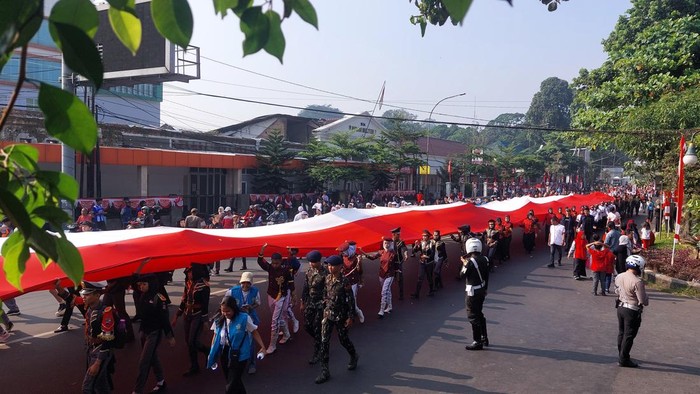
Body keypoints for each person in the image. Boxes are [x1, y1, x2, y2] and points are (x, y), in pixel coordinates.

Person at [207, 296, 267, 394]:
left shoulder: (244, 318)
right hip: (224, 353)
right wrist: (211, 352)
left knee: (230, 386)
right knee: (234, 381)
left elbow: (254, 331)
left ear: (234, 308)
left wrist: (263, 347)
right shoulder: (218, 319)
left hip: (239, 353)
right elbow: (215, 336)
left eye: (228, 311)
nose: (225, 314)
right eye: (223, 311)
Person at [315, 255, 359, 384]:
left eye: (332, 265)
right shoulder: (327, 279)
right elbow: (325, 294)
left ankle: (353, 355)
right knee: (324, 342)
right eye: (328, 265)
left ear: (340, 267)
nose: (330, 267)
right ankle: (324, 371)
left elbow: (351, 301)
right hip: (328, 315)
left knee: (343, 340)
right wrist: (324, 307)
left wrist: (350, 317)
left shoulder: (345, 282)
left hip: (341, 316)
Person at [132, 274, 175, 394]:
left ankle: (137, 390)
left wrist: (170, 336)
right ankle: (161, 381)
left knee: (143, 362)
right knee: (152, 358)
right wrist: (139, 269)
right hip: (144, 331)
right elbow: (133, 281)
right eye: (140, 285)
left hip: (154, 333)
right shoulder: (142, 294)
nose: (141, 287)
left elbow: (164, 319)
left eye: (144, 284)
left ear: (151, 284)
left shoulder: (158, 298)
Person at [172, 264, 211, 376]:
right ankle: (194, 365)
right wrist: (177, 315)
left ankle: (206, 351)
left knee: (192, 341)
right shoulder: (188, 283)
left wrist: (205, 321)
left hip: (197, 315)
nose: (188, 273)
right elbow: (184, 300)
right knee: (189, 342)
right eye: (188, 272)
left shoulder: (204, 286)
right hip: (186, 314)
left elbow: (205, 305)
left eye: (190, 271)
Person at [257, 244, 295, 354]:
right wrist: (262, 250)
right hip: (271, 295)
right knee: (277, 317)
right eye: (273, 262)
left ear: (281, 261)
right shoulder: (270, 268)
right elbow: (260, 262)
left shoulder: (286, 270)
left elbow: (291, 283)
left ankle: (272, 345)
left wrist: (293, 295)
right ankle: (287, 334)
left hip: (281, 297)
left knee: (274, 321)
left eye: (277, 263)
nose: (274, 265)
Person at [81, 281, 116, 393]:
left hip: (100, 351)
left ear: (97, 295)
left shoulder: (106, 312)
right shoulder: (90, 308)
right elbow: (70, 299)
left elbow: (107, 339)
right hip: (91, 349)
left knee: (87, 387)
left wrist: (98, 362)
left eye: (87, 294)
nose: (84, 297)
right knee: (101, 385)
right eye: (83, 294)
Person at [614, 255, 649, 368]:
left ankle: (622, 354)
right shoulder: (637, 281)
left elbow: (617, 291)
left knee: (621, 332)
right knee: (629, 335)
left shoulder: (619, 276)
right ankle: (624, 359)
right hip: (632, 310)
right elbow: (643, 301)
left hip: (621, 307)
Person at [225, 272, 262, 375]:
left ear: (251, 283)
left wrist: (251, 307)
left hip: (249, 318)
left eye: (248, 283)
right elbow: (225, 303)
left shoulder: (255, 291)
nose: (245, 285)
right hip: (236, 319)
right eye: (243, 283)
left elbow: (257, 303)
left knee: (250, 342)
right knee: (232, 339)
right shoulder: (232, 291)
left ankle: (252, 363)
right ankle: (233, 360)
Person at [459, 238, 490, 350]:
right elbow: (487, 276)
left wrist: (464, 264)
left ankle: (477, 341)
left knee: (472, 316)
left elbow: (462, 275)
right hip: (481, 289)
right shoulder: (485, 259)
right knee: (479, 313)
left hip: (472, 292)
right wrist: (486, 289)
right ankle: (484, 337)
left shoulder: (470, 262)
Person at [300, 250, 327, 364]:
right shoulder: (309, 272)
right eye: (310, 262)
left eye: (313, 262)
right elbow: (306, 287)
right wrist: (303, 302)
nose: (311, 264)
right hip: (311, 303)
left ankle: (317, 353)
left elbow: (328, 289)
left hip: (321, 304)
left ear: (319, 262)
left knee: (317, 327)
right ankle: (322, 341)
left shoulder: (326, 273)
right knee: (307, 326)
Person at [362, 236, 397, 318]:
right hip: (381, 275)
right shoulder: (381, 252)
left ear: (391, 244)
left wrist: (398, 272)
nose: (387, 245)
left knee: (384, 292)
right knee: (387, 291)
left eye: (388, 243)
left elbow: (397, 263)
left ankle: (381, 310)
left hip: (389, 275)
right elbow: (372, 258)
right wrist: (364, 253)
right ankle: (390, 306)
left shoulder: (393, 253)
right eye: (385, 243)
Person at [338, 241, 365, 323]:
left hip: (353, 282)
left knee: (352, 301)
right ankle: (347, 317)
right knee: (344, 300)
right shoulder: (342, 257)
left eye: (345, 251)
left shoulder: (356, 258)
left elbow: (360, 271)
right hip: (344, 281)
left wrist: (359, 262)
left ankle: (359, 312)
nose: (343, 253)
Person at [411, 230, 436, 299]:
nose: (424, 237)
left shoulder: (432, 243)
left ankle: (431, 291)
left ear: (428, 237)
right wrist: (416, 246)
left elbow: (432, 254)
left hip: (429, 263)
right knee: (420, 277)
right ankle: (417, 293)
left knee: (429, 277)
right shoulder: (421, 243)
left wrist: (427, 257)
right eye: (423, 236)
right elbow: (414, 251)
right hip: (422, 262)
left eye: (425, 236)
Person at [390, 227, 409, 300]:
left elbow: (404, 248)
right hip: (391, 263)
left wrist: (406, 254)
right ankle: (389, 294)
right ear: (393, 234)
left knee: (400, 278)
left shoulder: (401, 241)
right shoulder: (389, 242)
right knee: (390, 278)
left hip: (399, 262)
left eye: (399, 234)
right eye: (397, 234)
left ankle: (401, 295)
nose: (399, 236)